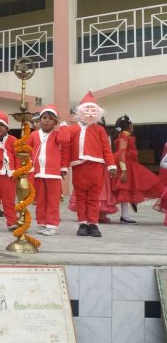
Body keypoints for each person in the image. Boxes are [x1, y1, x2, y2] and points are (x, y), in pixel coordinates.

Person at [66, 91, 117, 238]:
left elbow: (106, 148)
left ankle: (93, 224)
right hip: (79, 167)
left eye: (92, 109)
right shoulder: (72, 129)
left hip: (96, 167)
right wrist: (63, 166)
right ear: (80, 111)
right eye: (86, 109)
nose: (89, 112)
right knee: (81, 197)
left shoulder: (100, 129)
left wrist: (111, 165)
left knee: (94, 197)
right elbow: (65, 146)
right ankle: (83, 223)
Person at [111, 115, 163, 224]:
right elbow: (122, 154)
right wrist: (124, 170)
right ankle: (125, 215)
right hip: (127, 166)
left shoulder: (123, 136)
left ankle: (126, 213)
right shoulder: (124, 137)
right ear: (129, 126)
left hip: (129, 166)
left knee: (127, 189)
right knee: (126, 189)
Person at [26, 105, 69, 236]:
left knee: (53, 201)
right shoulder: (34, 135)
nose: (46, 121)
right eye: (44, 118)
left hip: (53, 174)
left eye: (50, 119)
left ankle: (52, 225)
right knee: (40, 200)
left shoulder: (57, 135)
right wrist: (28, 166)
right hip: (38, 173)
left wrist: (63, 125)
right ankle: (42, 223)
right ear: (40, 120)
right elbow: (26, 150)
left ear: (55, 122)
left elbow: (65, 140)